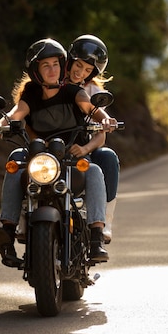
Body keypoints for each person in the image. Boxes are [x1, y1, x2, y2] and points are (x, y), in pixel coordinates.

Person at [0, 38, 117, 267]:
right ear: (36, 70)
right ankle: (8, 229)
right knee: (15, 161)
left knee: (95, 169)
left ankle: (97, 236)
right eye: (45, 65)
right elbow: (17, 113)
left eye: (55, 64)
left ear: (61, 64)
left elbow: (92, 110)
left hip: (71, 155)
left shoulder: (76, 91)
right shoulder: (31, 92)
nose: (52, 69)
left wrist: (106, 120)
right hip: (41, 155)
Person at [66, 34, 120, 244]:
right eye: (78, 66)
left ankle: (104, 221)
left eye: (88, 70)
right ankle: (23, 221)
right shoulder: (51, 82)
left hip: (82, 145)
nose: (80, 73)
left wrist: (85, 148)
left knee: (107, 157)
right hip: (52, 146)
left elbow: (101, 135)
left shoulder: (93, 92)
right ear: (70, 61)